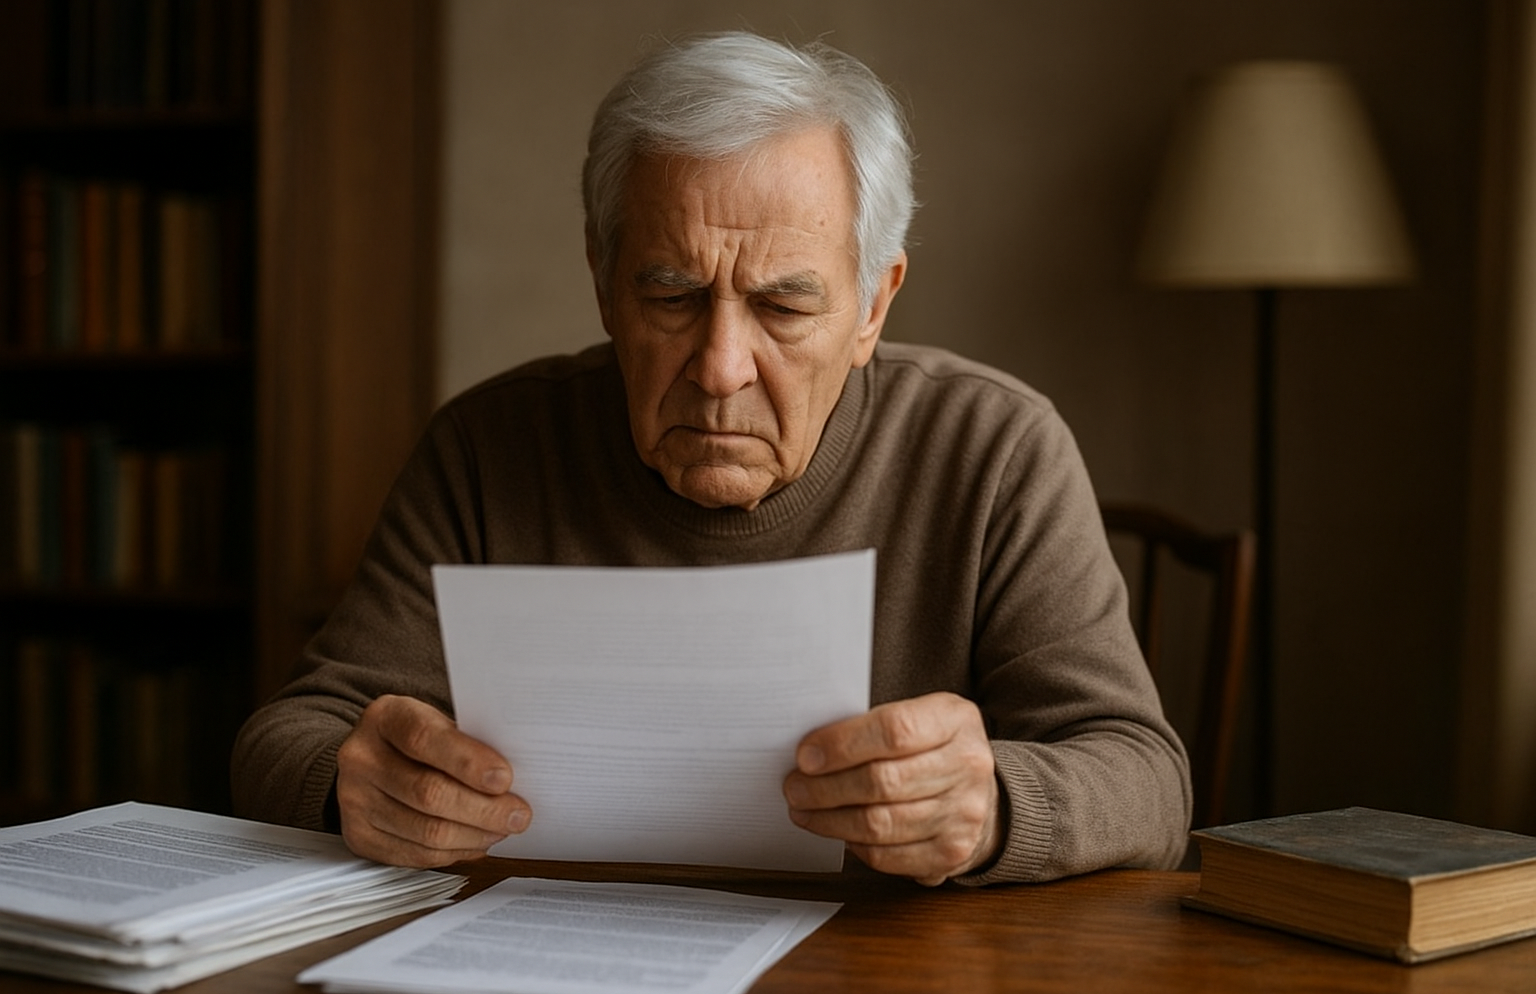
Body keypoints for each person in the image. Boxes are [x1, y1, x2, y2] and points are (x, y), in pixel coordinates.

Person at [231, 31, 1191, 886]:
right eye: (672, 295)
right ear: (605, 284)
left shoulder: (994, 448)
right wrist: (349, 783)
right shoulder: (488, 448)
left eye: (784, 306)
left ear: (873, 306)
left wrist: (994, 809)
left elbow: (1146, 779)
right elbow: (290, 734)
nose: (722, 369)